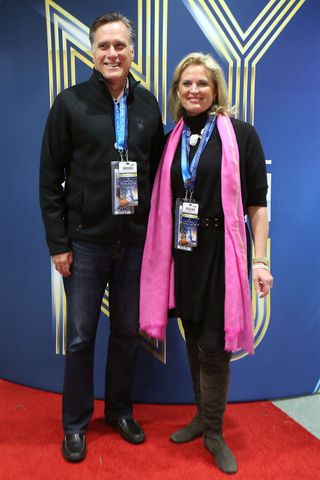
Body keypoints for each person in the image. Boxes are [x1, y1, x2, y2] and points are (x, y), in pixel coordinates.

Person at [139, 52, 273, 474]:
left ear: (215, 88)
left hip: (222, 251)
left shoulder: (242, 135)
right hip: (183, 251)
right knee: (194, 337)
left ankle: (214, 429)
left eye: (202, 83)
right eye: (186, 84)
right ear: (176, 91)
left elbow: (257, 205)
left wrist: (260, 260)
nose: (194, 90)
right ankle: (201, 415)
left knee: (214, 346)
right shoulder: (170, 138)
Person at [39, 12, 164, 462]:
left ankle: (119, 411)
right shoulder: (70, 103)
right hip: (86, 243)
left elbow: (159, 175)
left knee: (127, 333)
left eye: (120, 46)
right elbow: (50, 176)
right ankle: (75, 423)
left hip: (134, 244)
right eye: (104, 46)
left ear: (133, 51)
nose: (112, 53)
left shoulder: (149, 106)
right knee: (80, 338)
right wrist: (59, 242)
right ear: (92, 52)